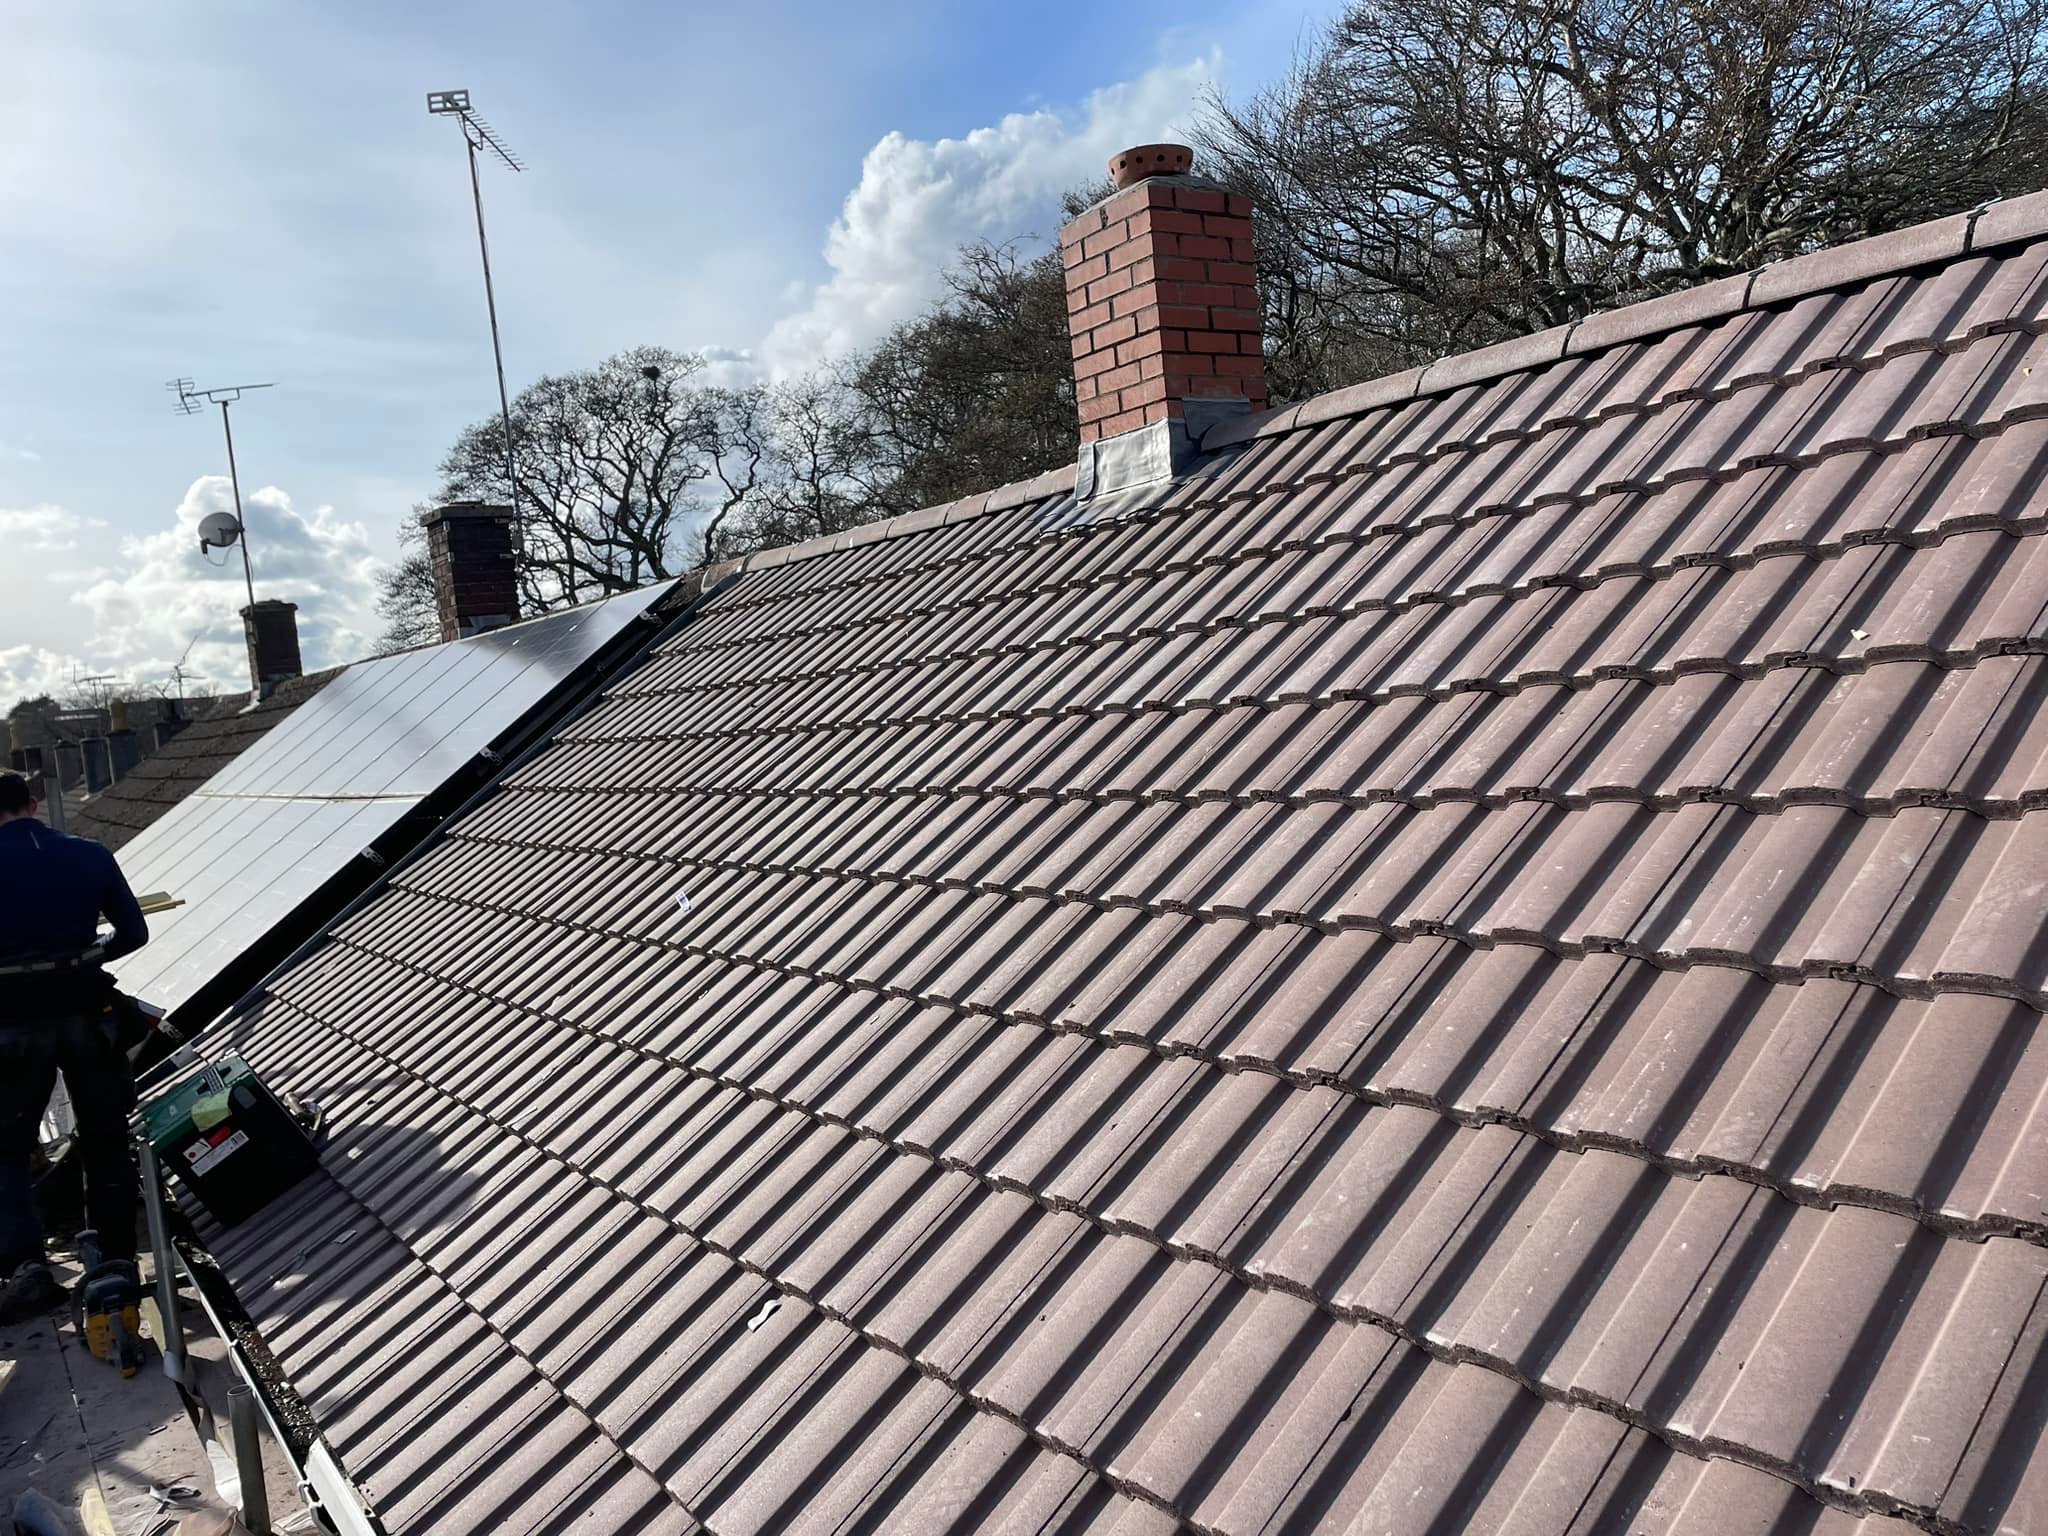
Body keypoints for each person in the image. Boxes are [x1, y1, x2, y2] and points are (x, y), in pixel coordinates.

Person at [0, 770, 149, 1323]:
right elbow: (133, 934)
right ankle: (113, 1259)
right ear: (34, 804)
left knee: (6, 1150)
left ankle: (27, 1270)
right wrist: (87, 953)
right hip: (90, 1016)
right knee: (106, 1137)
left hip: (11, 1029)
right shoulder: (88, 854)